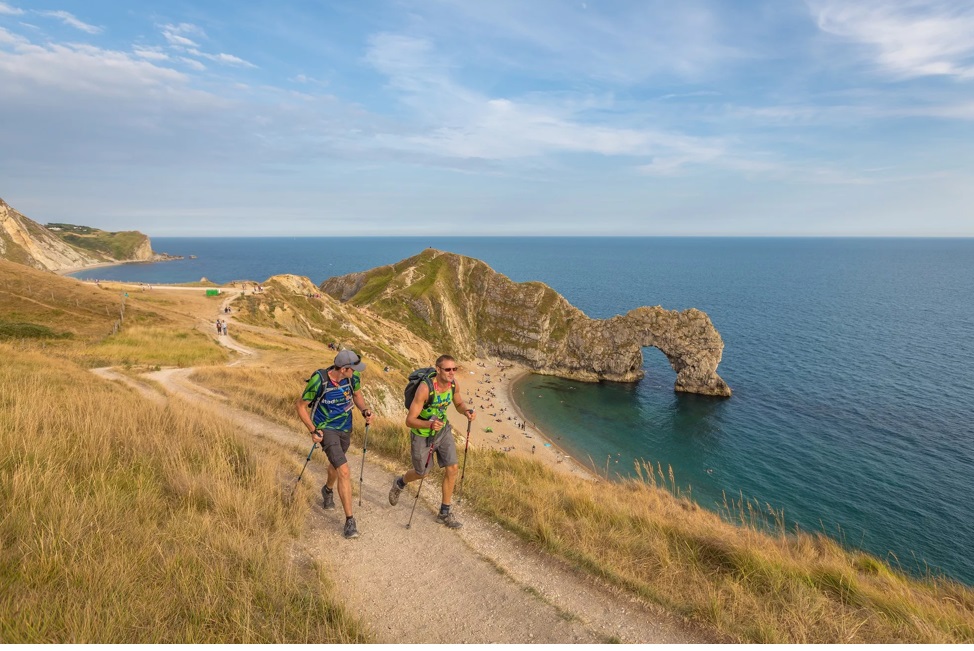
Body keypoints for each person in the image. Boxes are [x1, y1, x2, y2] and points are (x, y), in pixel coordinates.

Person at [388, 355, 475, 529]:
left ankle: (444, 512)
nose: (452, 373)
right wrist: (429, 424)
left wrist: (466, 411)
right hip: (421, 434)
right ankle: (400, 482)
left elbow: (458, 403)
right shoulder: (425, 389)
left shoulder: (453, 385)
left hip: (442, 431)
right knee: (422, 473)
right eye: (448, 369)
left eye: (454, 369)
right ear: (438, 370)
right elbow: (409, 420)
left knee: (453, 468)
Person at [296, 349, 374, 539]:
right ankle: (350, 521)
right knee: (344, 471)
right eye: (353, 369)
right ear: (344, 368)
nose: (356, 372)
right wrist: (313, 430)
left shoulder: (351, 379)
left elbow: (356, 396)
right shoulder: (319, 381)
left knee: (334, 466)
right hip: (326, 430)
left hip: (345, 428)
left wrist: (364, 410)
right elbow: (300, 406)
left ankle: (327, 489)